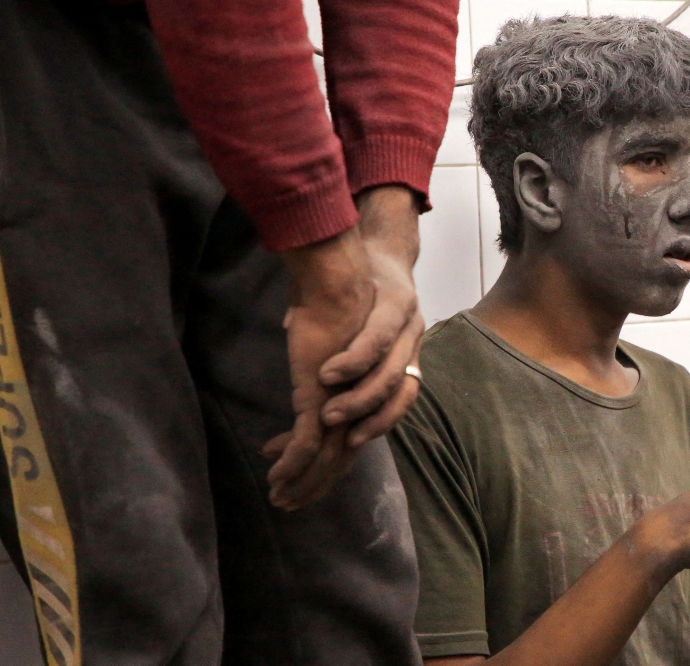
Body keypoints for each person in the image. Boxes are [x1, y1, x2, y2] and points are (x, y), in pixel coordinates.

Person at [0, 0, 458, 664]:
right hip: (32, 71)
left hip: (242, 66)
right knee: (135, 583)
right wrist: (326, 264)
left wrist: (387, 226)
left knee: (349, 583)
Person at [387, 16, 690, 666]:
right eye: (650, 159)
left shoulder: (674, 395)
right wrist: (665, 539)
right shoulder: (428, 398)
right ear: (539, 190)